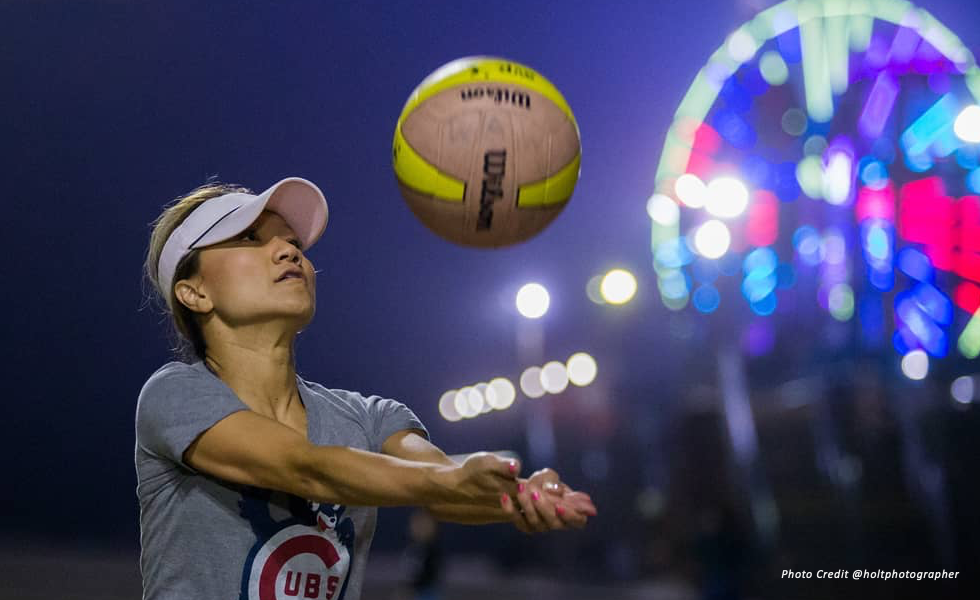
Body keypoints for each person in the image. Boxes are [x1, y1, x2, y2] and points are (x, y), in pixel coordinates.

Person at [136, 177, 597, 600]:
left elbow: (438, 482)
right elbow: (305, 467)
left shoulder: (369, 416)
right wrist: (450, 480)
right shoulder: (175, 395)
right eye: (249, 238)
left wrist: (520, 497)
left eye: (295, 242)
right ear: (194, 292)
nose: (288, 251)